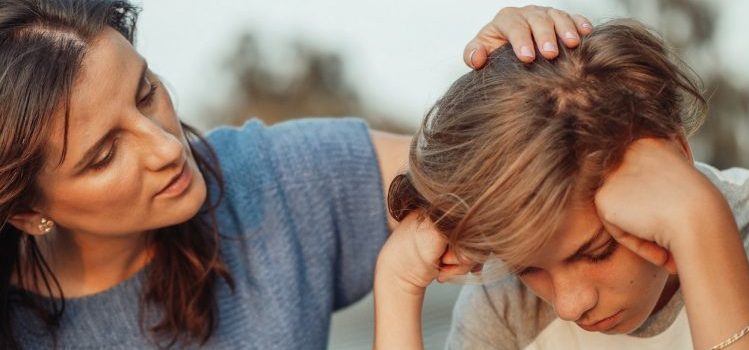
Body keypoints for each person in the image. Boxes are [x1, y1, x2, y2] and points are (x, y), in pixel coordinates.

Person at [0, 0, 594, 348]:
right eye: (104, 155)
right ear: (27, 211)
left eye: (147, 92)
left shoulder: (272, 180)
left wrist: (530, 84)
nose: (164, 147)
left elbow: (512, 166)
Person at [375, 19, 749, 350]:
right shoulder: (506, 305)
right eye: (528, 268)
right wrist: (397, 286)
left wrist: (699, 225)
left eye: (598, 252)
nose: (569, 304)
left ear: (677, 156)